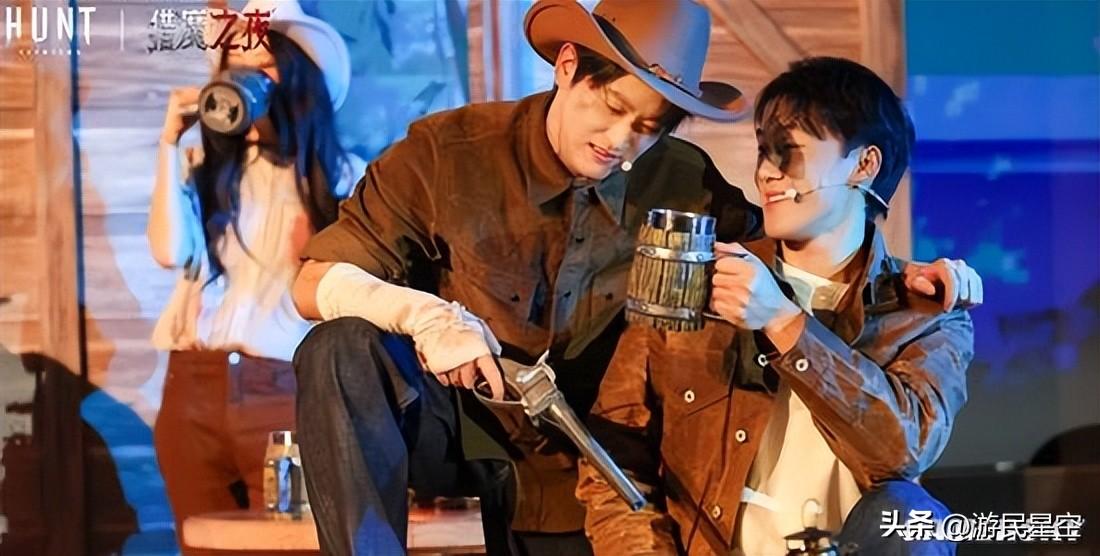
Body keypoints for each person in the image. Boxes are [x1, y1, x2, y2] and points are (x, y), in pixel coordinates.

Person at [291, 2, 978, 554]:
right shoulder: (446, 153)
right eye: (614, 108)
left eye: (650, 126)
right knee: (340, 348)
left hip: (586, 460)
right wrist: (426, 317)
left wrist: (906, 276)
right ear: (568, 67)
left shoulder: (682, 181)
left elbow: (793, 248)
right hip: (457, 427)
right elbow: (312, 282)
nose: (623, 140)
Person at [577, 56, 976, 556]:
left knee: (917, 518)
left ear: (863, 165)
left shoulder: (925, 316)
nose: (766, 172)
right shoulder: (694, 281)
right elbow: (611, 461)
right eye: (764, 150)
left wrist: (783, 321)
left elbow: (900, 454)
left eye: (789, 152)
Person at [146, 1, 359, 552]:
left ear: (299, 77)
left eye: (263, 67)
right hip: (193, 384)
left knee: (293, 544)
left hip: (285, 387)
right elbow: (169, 253)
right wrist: (169, 143)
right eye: (235, 69)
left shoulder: (342, 180)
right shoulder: (205, 172)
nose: (247, 81)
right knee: (204, 544)